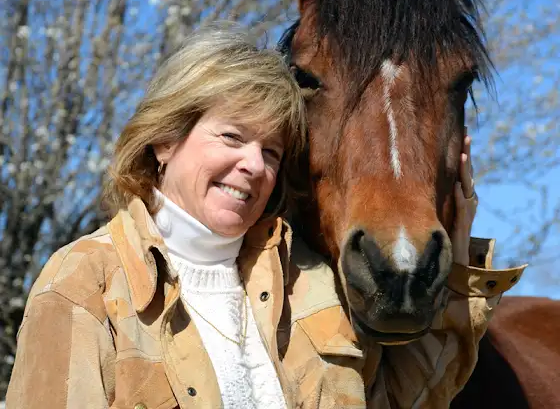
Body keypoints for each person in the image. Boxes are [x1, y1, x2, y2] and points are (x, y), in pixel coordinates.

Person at [6, 22, 525, 409]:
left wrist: (459, 264)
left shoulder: (304, 282)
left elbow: (402, 400)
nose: (254, 165)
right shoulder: (86, 283)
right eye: (232, 136)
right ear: (165, 139)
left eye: (271, 151)